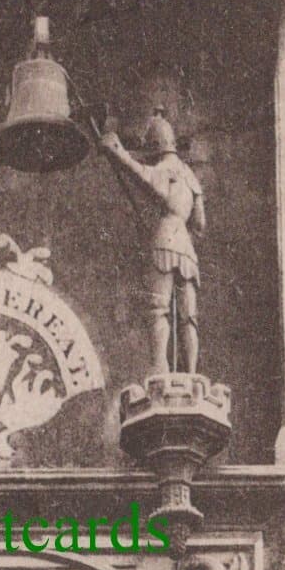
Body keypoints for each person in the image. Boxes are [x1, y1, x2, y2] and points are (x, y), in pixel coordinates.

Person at [99, 108, 206, 376]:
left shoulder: (165, 169)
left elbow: (150, 181)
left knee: (158, 308)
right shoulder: (190, 177)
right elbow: (200, 224)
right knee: (188, 316)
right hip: (187, 248)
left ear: (155, 143)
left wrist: (118, 153)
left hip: (163, 240)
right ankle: (191, 372)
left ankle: (160, 367)